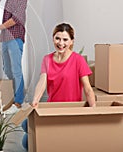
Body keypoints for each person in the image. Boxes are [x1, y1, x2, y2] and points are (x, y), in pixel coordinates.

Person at [22, 23, 96, 151]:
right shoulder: (47, 59)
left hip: (70, 109)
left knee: (26, 142)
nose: (61, 43)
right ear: (53, 38)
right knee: (25, 126)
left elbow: (88, 88)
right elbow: (42, 81)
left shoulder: (78, 60)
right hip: (52, 107)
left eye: (65, 39)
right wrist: (35, 100)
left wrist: (94, 111)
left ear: (72, 41)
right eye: (58, 38)